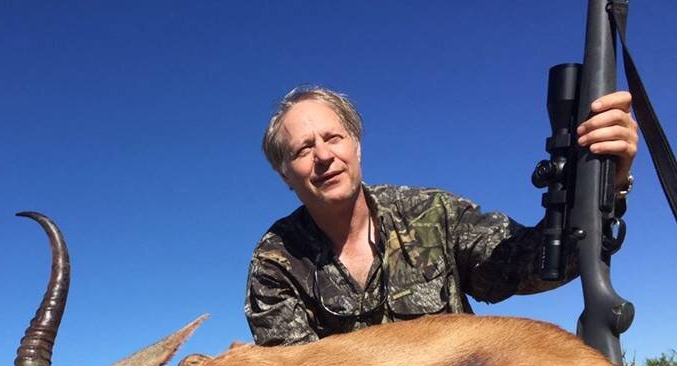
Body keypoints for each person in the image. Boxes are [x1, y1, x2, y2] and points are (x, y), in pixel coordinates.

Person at [244, 86, 639, 346]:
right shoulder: (275, 262)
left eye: (333, 138)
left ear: (357, 147)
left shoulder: (432, 213)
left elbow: (535, 265)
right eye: (302, 149)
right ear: (285, 175)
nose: (324, 156)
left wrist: (606, 182)